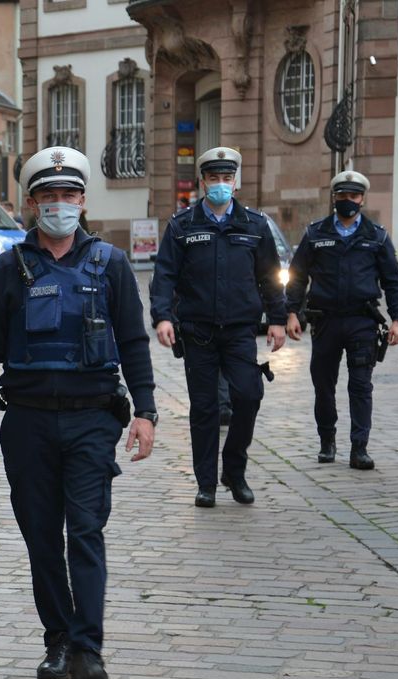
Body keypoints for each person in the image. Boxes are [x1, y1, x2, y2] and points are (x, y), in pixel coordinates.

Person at [0, 146, 158, 679]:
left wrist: (145, 411)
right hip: (26, 422)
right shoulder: (7, 270)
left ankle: (87, 650)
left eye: (68, 195)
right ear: (31, 204)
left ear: (82, 200)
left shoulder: (111, 265)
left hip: (93, 419)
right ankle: (58, 639)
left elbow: (134, 343)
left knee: (88, 531)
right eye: (48, 197)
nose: (59, 205)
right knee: (43, 539)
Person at [149, 147, 287, 508]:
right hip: (198, 332)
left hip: (240, 330)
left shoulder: (254, 226)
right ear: (203, 181)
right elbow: (164, 274)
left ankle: (235, 470)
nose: (221, 185)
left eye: (227, 178)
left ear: (235, 182)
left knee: (249, 396)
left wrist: (277, 319)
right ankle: (206, 482)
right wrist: (163, 316)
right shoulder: (183, 226)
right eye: (214, 178)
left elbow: (271, 277)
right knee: (205, 408)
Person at [285, 170, 398, 469]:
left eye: (353, 196)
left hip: (362, 321)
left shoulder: (376, 236)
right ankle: (327, 442)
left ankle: (359, 448)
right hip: (325, 321)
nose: (347, 201)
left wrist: (397, 319)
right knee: (323, 385)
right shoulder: (316, 233)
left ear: (362, 199)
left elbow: (393, 280)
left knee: (361, 385)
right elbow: (297, 276)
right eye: (342, 196)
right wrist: (291, 313)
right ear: (334, 197)